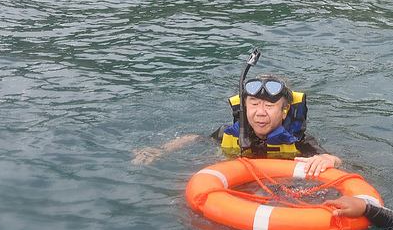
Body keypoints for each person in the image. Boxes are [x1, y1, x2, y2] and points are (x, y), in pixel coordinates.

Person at [133, 74, 341, 177]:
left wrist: (328, 159)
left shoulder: (300, 141)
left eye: (270, 106)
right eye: (254, 104)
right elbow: (194, 138)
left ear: (284, 111)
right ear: (244, 107)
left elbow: (332, 159)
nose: (260, 112)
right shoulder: (230, 133)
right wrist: (160, 150)